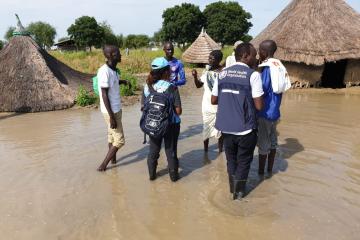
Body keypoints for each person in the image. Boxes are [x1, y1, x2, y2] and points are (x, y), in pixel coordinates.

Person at [211, 43, 264, 200]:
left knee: (231, 160)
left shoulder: (222, 74)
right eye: (254, 56)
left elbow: (214, 100)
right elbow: (259, 106)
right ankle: (238, 196)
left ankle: (232, 190)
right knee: (244, 161)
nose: (256, 59)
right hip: (246, 128)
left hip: (226, 128)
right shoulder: (253, 75)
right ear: (246, 55)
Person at [141, 57, 182, 182]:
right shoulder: (172, 87)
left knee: (153, 151)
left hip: (153, 124)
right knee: (171, 151)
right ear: (165, 72)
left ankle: (152, 176)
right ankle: (174, 178)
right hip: (171, 125)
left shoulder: (147, 87)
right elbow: (179, 111)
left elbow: (143, 108)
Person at [97, 45, 131, 171]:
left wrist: (123, 81)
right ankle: (103, 166)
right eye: (118, 53)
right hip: (111, 111)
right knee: (120, 140)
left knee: (111, 137)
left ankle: (113, 161)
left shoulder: (113, 70)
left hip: (115, 109)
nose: (121, 55)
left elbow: (113, 83)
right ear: (111, 56)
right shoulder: (104, 71)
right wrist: (111, 116)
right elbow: (104, 94)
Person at [257, 40, 286, 175]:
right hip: (275, 112)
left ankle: (261, 174)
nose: (258, 53)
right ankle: (270, 169)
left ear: (264, 52)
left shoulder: (267, 68)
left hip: (265, 112)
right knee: (273, 142)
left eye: (259, 51)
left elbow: (260, 89)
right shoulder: (279, 65)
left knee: (263, 144)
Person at [192, 50, 224, 152]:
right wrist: (195, 76)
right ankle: (205, 151)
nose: (209, 60)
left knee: (220, 129)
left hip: (220, 105)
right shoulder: (206, 72)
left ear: (219, 60)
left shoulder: (223, 73)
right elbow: (198, 85)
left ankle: (220, 151)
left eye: (212, 58)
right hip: (207, 105)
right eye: (209, 58)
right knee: (206, 127)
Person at [163, 41, 185, 161]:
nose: (170, 51)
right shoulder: (160, 62)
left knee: (176, 115)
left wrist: (173, 83)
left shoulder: (178, 63)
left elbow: (183, 80)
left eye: (172, 49)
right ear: (164, 50)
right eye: (168, 49)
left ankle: (173, 156)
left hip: (173, 92)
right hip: (161, 93)